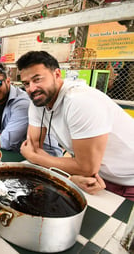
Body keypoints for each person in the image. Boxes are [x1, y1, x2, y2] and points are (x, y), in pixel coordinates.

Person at [17, 50, 134, 199]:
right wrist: (70, 176)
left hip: (130, 180)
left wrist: (35, 158)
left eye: (37, 79)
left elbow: (86, 167)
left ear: (57, 74)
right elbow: (33, 146)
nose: (32, 88)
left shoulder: (79, 101)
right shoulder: (38, 102)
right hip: (97, 179)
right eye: (26, 83)